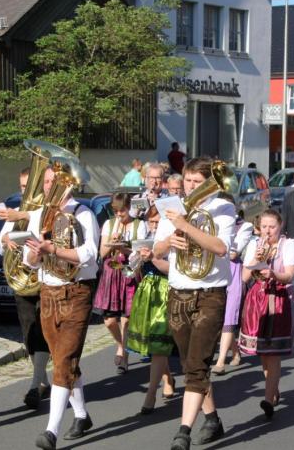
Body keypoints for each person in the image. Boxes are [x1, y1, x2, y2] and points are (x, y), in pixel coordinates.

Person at [153, 157, 237, 450]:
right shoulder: (172, 208)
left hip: (210, 293)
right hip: (179, 292)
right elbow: (157, 250)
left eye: (197, 182)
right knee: (190, 364)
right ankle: (212, 419)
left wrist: (186, 226)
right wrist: (168, 243)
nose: (190, 187)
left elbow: (221, 247)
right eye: (187, 181)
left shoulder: (224, 208)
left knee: (198, 363)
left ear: (210, 184)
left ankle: (183, 431)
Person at [23, 165, 100, 449]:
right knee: (63, 361)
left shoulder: (82, 213)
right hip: (48, 292)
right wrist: (34, 252)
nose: (48, 186)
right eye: (44, 181)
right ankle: (81, 416)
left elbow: (90, 254)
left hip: (76, 292)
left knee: (64, 360)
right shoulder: (39, 216)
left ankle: (51, 431)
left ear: (68, 184)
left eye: (54, 181)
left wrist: (53, 250)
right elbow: (29, 261)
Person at [0, 167, 52, 409]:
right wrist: (6, 240)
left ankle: (34, 386)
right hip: (22, 281)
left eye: (30, 186)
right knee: (29, 331)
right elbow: (1, 243)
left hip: (45, 279)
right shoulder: (15, 213)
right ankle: (43, 379)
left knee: (43, 331)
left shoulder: (47, 213)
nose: (26, 191)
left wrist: (25, 218)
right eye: (22, 187)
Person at [240, 209, 294, 419]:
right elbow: (245, 277)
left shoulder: (289, 244)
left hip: (279, 297)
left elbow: (290, 274)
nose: (267, 231)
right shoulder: (254, 245)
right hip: (258, 298)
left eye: (272, 227)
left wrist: (274, 273)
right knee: (263, 353)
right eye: (264, 227)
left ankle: (267, 399)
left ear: (280, 226)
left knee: (273, 352)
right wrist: (255, 259)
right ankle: (272, 389)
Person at [127, 206, 177, 414]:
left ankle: (150, 395)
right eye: (151, 222)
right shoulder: (145, 238)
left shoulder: (170, 241)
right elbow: (132, 269)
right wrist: (138, 258)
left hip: (165, 290)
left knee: (158, 344)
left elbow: (171, 270)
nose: (154, 226)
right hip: (147, 291)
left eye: (157, 222)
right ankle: (168, 378)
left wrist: (153, 258)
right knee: (153, 343)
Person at [94, 193, 146, 374]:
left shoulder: (139, 225)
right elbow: (101, 254)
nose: (119, 215)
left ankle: (124, 354)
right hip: (111, 272)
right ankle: (120, 344)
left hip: (128, 271)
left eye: (122, 211)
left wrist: (123, 247)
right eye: (116, 211)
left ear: (129, 208)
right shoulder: (109, 224)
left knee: (126, 318)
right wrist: (111, 243)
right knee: (109, 321)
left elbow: (139, 253)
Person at [212, 202, 253, 375]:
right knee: (220, 317)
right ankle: (235, 351)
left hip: (234, 270)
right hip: (216, 268)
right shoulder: (213, 222)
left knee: (229, 316)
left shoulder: (245, 226)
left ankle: (220, 361)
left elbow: (234, 252)